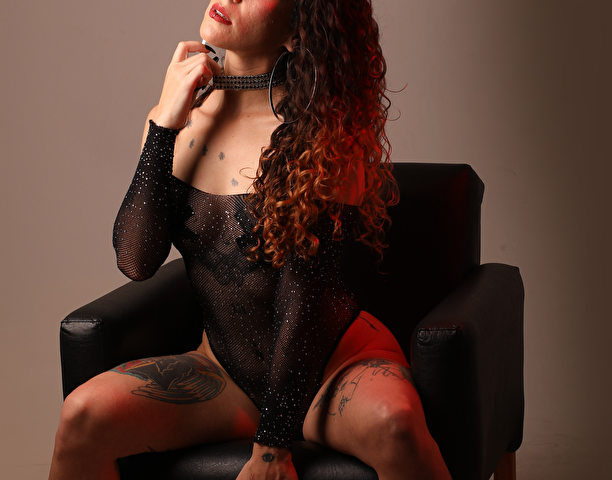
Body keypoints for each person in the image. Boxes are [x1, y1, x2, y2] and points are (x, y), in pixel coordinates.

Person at [48, 1, 452, 479]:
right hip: (226, 372)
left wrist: (272, 447)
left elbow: (306, 300)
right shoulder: (178, 120)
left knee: (395, 426)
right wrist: (163, 125)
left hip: (332, 368)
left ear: (298, 27)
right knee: (82, 416)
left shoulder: (328, 133)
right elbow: (136, 260)